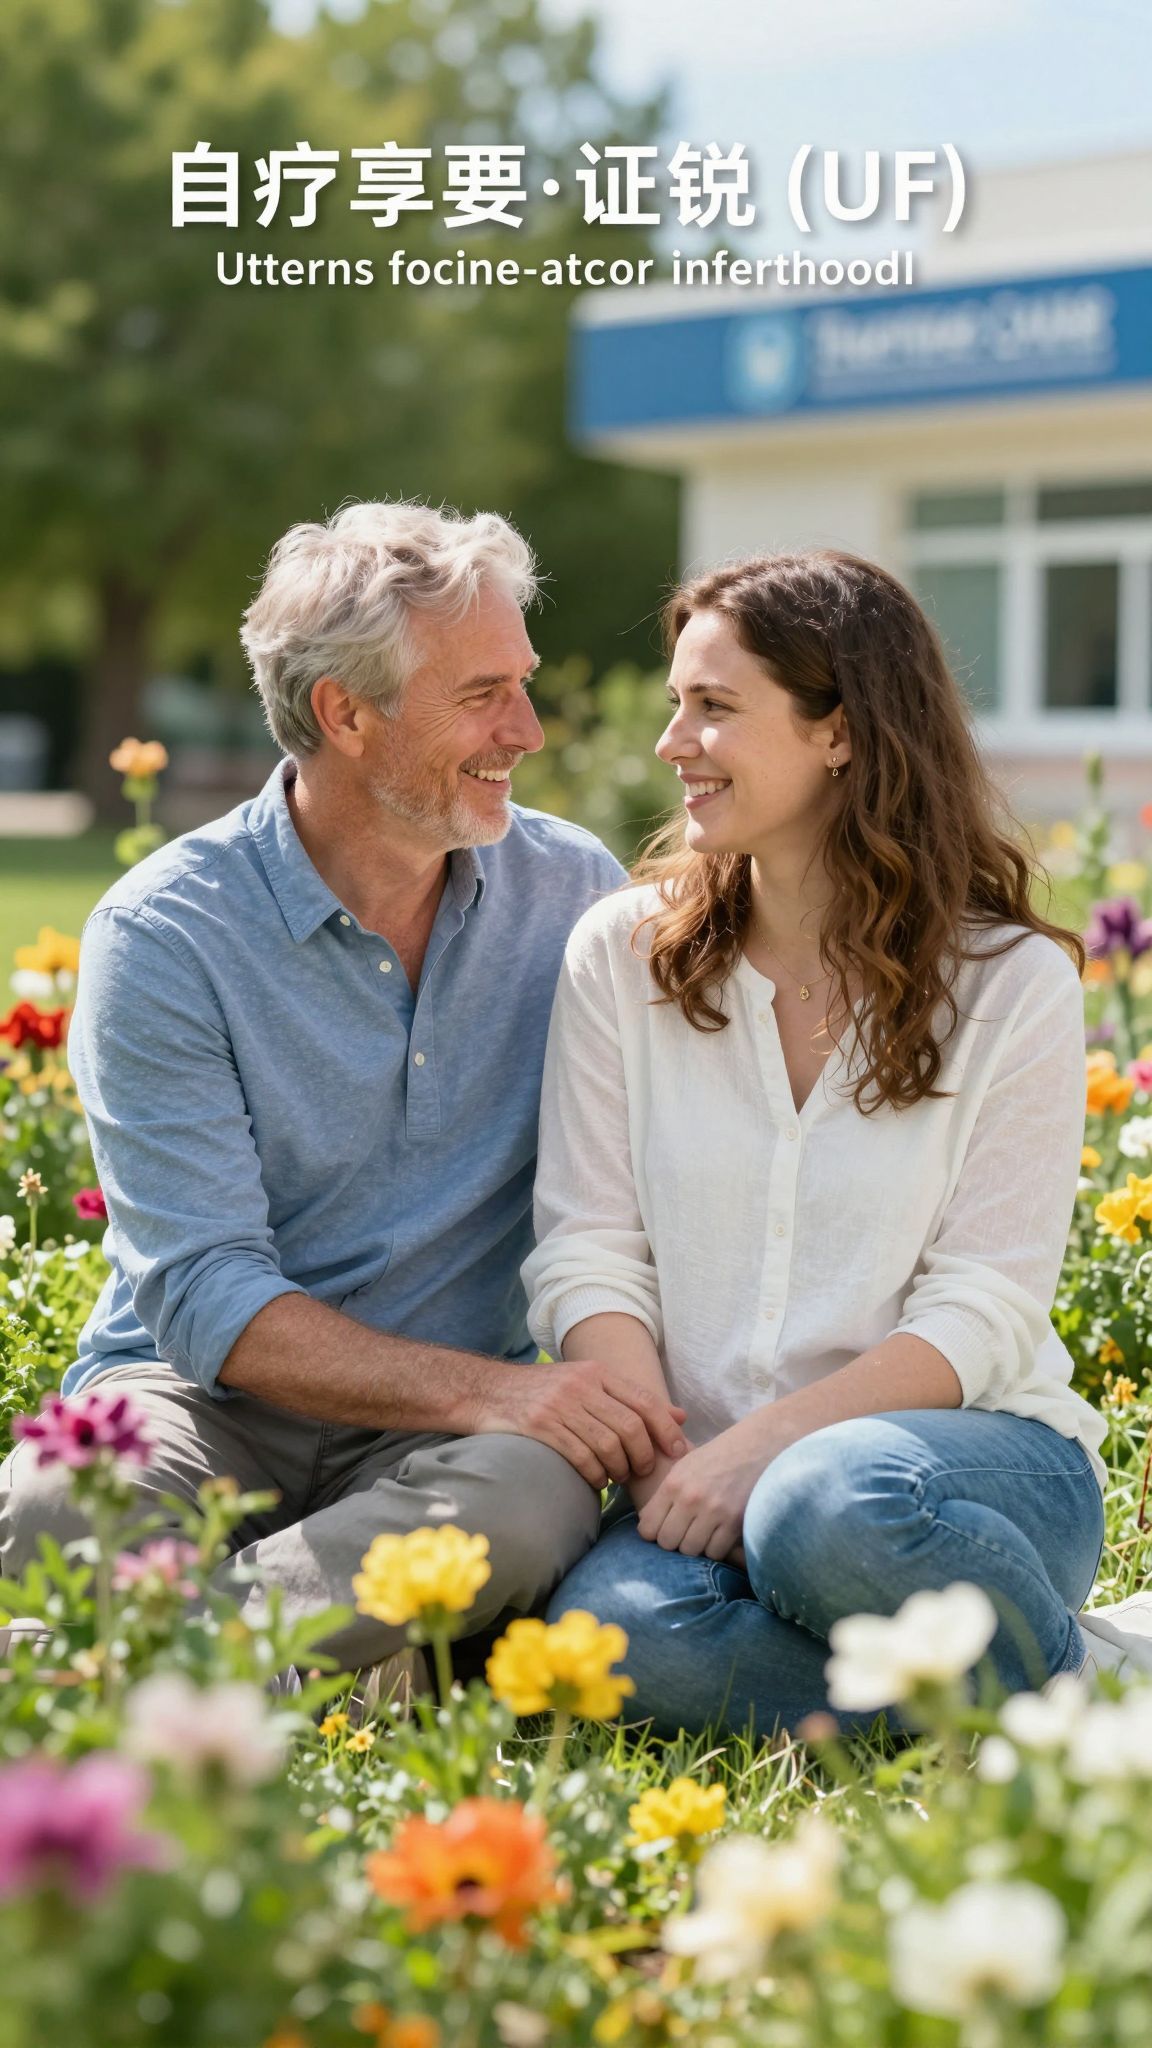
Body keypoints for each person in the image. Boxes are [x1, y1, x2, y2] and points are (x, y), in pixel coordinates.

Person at [0, 500, 690, 1675]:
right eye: (482, 694)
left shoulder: (572, 887)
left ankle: (147, 1663)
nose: (524, 728)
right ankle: (351, 1647)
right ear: (345, 713)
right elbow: (207, 1294)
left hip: (453, 1449)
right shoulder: (167, 932)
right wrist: (495, 1393)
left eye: (520, 683)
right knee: (54, 1504)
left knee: (528, 1498)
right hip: (207, 1399)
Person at [524, 547, 1152, 1741]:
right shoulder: (620, 956)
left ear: (842, 733)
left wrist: (759, 1455)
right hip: (695, 1477)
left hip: (957, 1475)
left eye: (715, 707)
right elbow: (589, 1252)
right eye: (675, 702)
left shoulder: (1011, 983)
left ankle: (1059, 1684)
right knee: (610, 1648)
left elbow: (982, 1308)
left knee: (821, 1505)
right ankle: (1055, 1687)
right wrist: (669, 1466)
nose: (673, 742)